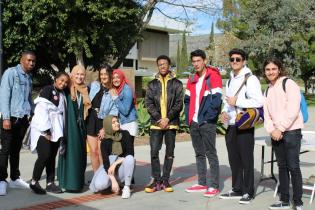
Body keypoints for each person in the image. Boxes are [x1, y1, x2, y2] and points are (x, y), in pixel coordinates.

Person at [220, 48, 263, 204]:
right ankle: (237, 189)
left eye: (238, 59)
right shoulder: (230, 79)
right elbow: (227, 100)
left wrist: (237, 102)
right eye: (232, 59)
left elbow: (258, 101)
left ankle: (248, 191)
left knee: (246, 159)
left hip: (244, 124)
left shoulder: (251, 79)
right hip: (231, 124)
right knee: (234, 159)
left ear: (244, 61)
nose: (234, 62)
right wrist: (224, 111)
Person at [263, 57, 304, 210]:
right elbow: (266, 114)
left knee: (293, 166)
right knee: (282, 166)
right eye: (268, 69)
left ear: (279, 69)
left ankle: (298, 202)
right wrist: (272, 129)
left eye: (273, 69)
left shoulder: (289, 84)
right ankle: (284, 200)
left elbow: (293, 110)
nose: (270, 72)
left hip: (291, 132)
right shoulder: (267, 89)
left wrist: (280, 128)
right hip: (275, 133)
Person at [184, 49, 222, 197]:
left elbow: (217, 101)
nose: (196, 64)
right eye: (194, 61)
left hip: (207, 122)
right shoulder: (192, 78)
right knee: (199, 153)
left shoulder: (213, 76)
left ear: (205, 61)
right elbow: (187, 101)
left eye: (199, 61)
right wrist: (189, 118)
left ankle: (214, 185)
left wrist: (208, 118)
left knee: (210, 153)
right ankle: (201, 183)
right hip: (194, 123)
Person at [144, 55, 183, 193]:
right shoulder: (151, 84)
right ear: (157, 66)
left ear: (169, 65)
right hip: (156, 124)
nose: (162, 66)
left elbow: (179, 103)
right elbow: (148, 103)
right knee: (154, 152)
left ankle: (166, 180)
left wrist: (168, 118)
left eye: (164, 64)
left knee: (169, 152)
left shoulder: (177, 83)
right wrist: (159, 118)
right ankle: (156, 180)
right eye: (160, 64)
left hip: (171, 123)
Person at [0, 51, 36, 196]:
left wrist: (33, 112)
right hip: (11, 118)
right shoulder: (11, 73)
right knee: (5, 149)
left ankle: (14, 178)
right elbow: (4, 95)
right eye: (28, 60)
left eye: (33, 61)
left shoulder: (29, 77)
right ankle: (2, 180)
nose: (31, 63)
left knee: (16, 150)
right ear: (22, 60)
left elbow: (28, 98)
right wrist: (6, 118)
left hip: (23, 118)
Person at [29, 72, 69, 194]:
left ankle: (50, 182)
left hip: (56, 129)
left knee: (52, 156)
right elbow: (41, 110)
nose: (63, 83)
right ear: (56, 79)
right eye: (61, 80)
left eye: (66, 82)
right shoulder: (47, 90)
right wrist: (46, 130)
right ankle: (34, 181)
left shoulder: (62, 94)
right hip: (43, 129)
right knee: (44, 155)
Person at [57, 65, 91, 192]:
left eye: (82, 74)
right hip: (69, 126)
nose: (79, 76)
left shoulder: (85, 90)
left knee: (80, 154)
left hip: (81, 127)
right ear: (72, 74)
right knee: (69, 152)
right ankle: (69, 183)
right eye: (76, 74)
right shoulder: (67, 88)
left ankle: (78, 182)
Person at [89, 115, 135, 199]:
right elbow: (106, 163)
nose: (117, 123)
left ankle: (126, 187)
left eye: (117, 121)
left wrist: (115, 163)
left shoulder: (125, 134)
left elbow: (130, 153)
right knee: (99, 185)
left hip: (121, 167)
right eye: (113, 122)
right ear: (107, 125)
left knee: (130, 159)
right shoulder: (105, 141)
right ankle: (113, 183)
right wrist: (112, 179)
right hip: (110, 169)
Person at [87, 64, 118, 173]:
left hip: (104, 122)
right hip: (91, 120)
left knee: (101, 152)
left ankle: (103, 177)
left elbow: (114, 111)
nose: (103, 76)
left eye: (105, 74)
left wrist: (106, 127)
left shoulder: (113, 91)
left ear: (110, 75)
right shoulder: (94, 85)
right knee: (93, 151)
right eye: (101, 74)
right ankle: (96, 178)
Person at [110, 69, 138, 149]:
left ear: (122, 77)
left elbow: (125, 111)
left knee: (128, 149)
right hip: (121, 123)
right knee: (121, 150)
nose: (115, 80)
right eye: (113, 78)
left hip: (128, 123)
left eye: (118, 77)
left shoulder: (126, 89)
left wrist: (115, 98)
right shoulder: (115, 90)